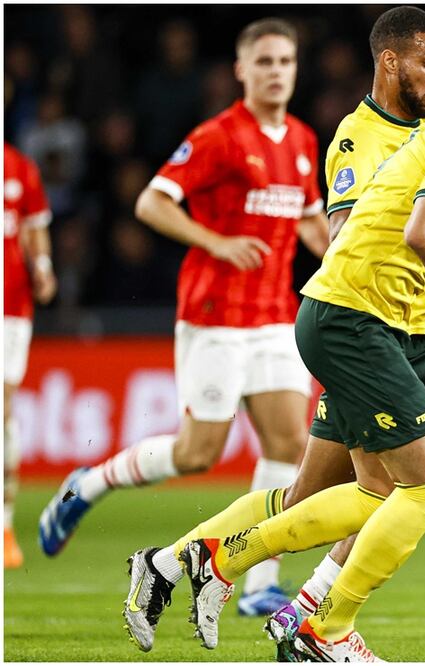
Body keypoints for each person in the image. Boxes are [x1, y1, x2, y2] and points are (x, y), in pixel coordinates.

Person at [132, 46, 425, 662]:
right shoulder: (361, 139)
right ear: (390, 62)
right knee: (418, 488)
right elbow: (392, 230)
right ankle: (295, 612)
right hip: (366, 325)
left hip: (423, 331)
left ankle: (179, 565)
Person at [38, 18, 330, 616]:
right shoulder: (219, 136)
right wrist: (217, 242)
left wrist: (346, 261)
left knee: (289, 442)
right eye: (265, 61)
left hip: (276, 317)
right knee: (198, 454)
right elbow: (151, 202)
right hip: (215, 315)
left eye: (286, 61)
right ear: (241, 70)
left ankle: (259, 583)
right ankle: (87, 484)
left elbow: (308, 220)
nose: (277, 72)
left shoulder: (302, 139)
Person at [3, 143, 57, 569]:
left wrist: (42, 266)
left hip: (10, 307)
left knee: (2, 410)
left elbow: (35, 226)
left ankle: (4, 525)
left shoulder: (19, 166)